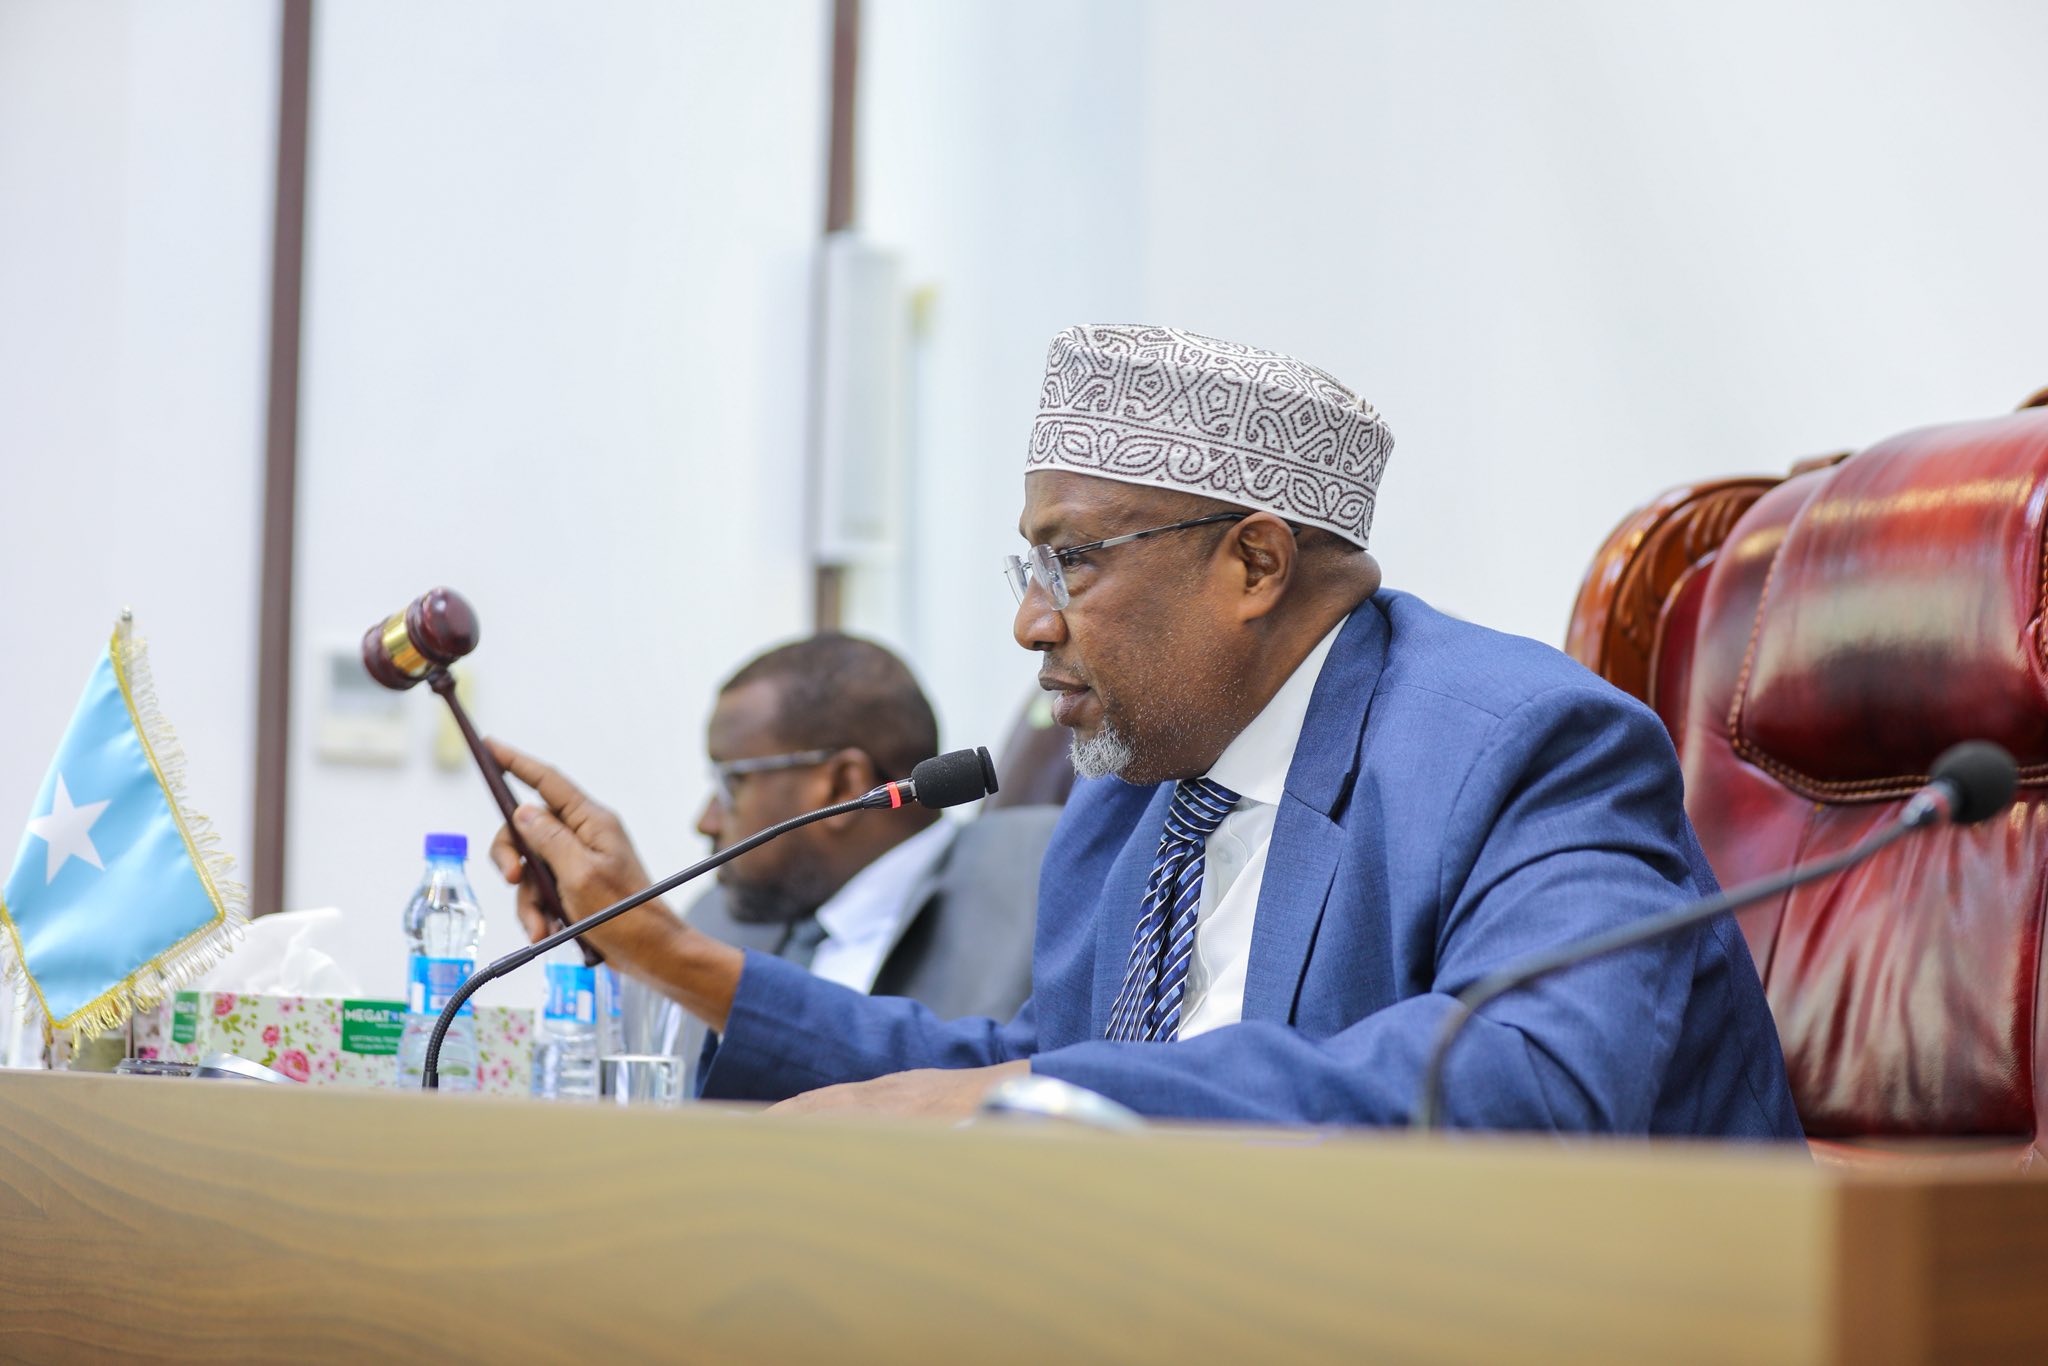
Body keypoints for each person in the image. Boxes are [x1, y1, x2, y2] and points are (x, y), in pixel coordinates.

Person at [491, 323, 1802, 1136]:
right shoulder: (1137, 788)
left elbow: (1527, 1081)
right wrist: (662, 948)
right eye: (1028, 568)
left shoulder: (1526, 745)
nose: (1030, 624)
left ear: (1253, 563)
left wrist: (1044, 1102)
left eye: (1072, 562)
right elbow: (1041, 1061)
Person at [488, 634, 1052, 1041]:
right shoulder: (723, 919)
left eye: (731, 782)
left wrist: (661, 947)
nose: (707, 820)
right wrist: (609, 937)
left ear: (842, 783)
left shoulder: (1032, 881)